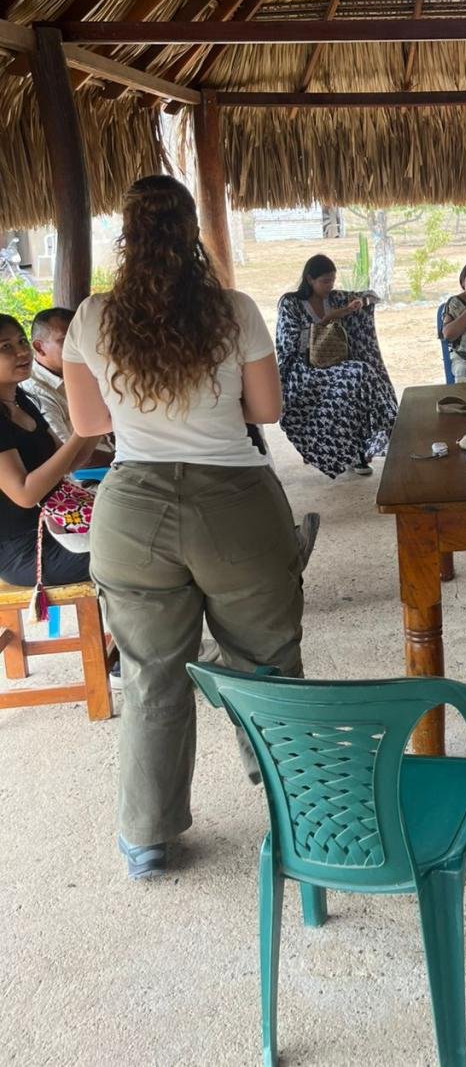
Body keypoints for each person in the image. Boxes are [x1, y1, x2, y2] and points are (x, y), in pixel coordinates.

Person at [63, 176, 306, 881]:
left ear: (127, 236)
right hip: (235, 502)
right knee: (266, 661)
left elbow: (89, 425)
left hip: (133, 507)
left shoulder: (92, 318)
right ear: (191, 230)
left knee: (149, 674)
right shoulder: (233, 310)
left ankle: (147, 838)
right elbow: (265, 409)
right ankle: (299, 807)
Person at [276, 255, 397, 479]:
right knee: (356, 376)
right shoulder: (290, 303)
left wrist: (359, 304)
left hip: (337, 363)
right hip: (303, 368)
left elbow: (371, 297)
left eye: (332, 280)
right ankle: (349, 449)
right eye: (325, 281)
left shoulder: (336, 298)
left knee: (364, 377)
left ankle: (364, 445)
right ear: (309, 279)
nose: (330, 286)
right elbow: (289, 342)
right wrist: (326, 320)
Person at [0, 314, 98, 587]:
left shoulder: (21, 401)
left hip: (60, 523)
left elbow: (69, 462)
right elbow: (25, 493)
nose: (22, 351)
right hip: (25, 550)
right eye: (5, 347)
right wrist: (83, 429)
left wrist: (100, 417)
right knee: (145, 551)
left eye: (21, 341)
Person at [23, 307, 115, 466]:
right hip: (82, 476)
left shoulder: (90, 371)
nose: (78, 347)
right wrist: (123, 461)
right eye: (67, 341)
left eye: (81, 339)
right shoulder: (34, 391)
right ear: (39, 347)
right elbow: (65, 457)